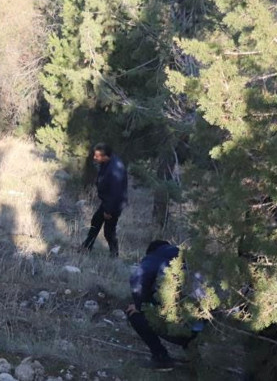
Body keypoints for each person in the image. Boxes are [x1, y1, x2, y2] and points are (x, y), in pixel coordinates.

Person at [126, 240, 200, 371]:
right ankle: (197, 362)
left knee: (134, 314)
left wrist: (140, 305)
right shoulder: (191, 258)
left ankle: (161, 358)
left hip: (179, 327)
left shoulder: (154, 258)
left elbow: (137, 279)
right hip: (207, 328)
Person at [81, 143, 127, 257]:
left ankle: (114, 254)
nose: (94, 158)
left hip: (114, 205)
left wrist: (108, 211)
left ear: (105, 156)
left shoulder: (115, 169)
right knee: (96, 221)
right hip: (107, 202)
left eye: (97, 156)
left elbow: (116, 193)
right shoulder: (107, 163)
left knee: (108, 231)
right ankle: (86, 247)